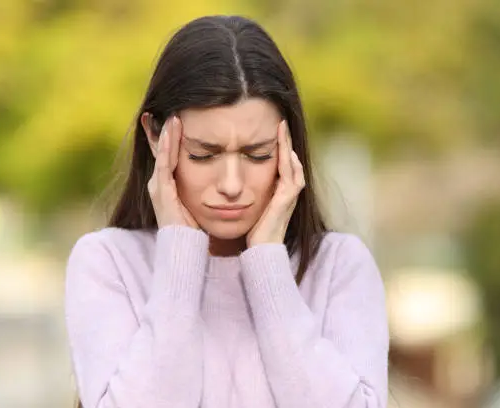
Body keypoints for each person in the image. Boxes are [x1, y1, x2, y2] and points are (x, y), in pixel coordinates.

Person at [64, 15, 389, 408]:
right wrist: (180, 252)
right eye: (203, 154)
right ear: (154, 135)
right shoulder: (108, 263)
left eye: (258, 154)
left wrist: (268, 262)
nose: (232, 184)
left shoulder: (339, 266)